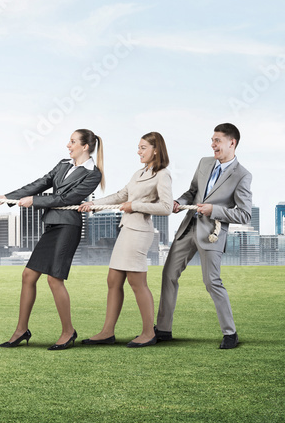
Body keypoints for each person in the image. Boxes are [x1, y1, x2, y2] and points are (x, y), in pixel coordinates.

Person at [0, 129, 105, 351]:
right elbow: (40, 183)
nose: (67, 145)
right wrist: (7, 198)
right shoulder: (63, 165)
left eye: (72, 142)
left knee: (54, 279)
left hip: (68, 227)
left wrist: (34, 201)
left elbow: (66, 198)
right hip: (52, 225)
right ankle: (21, 330)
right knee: (28, 275)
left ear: (85, 146)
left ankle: (68, 331)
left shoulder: (93, 174)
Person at [156, 123, 252, 349]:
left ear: (232, 142)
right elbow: (192, 191)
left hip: (212, 234)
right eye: (212, 140)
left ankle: (230, 333)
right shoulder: (204, 163)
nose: (212, 145)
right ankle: (163, 329)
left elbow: (245, 214)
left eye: (217, 140)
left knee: (211, 282)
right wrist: (180, 202)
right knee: (168, 274)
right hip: (188, 227)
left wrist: (213, 210)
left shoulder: (242, 176)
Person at [79, 132, 173, 348]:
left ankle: (149, 332)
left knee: (136, 281)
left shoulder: (162, 175)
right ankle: (107, 332)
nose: (138, 151)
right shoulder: (139, 173)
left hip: (140, 232)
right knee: (113, 280)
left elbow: (166, 208)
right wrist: (95, 204)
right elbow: (122, 195)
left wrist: (135, 205)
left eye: (142, 147)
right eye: (138, 147)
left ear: (155, 149)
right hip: (127, 229)